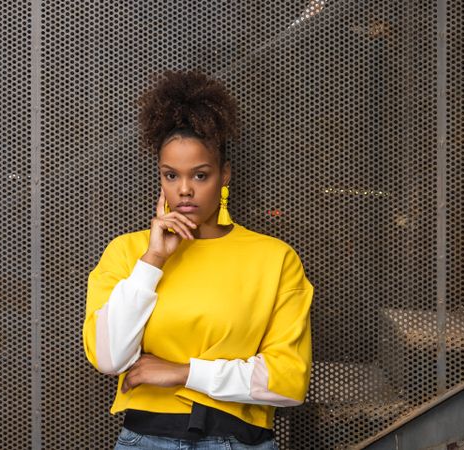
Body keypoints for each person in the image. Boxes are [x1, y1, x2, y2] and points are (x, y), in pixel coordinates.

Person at [82, 69, 313, 450]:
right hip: (145, 440)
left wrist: (182, 372)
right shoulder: (128, 253)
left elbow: (286, 382)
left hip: (240, 441)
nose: (184, 190)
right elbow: (109, 358)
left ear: (224, 176)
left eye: (200, 175)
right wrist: (153, 260)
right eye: (171, 175)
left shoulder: (274, 259)